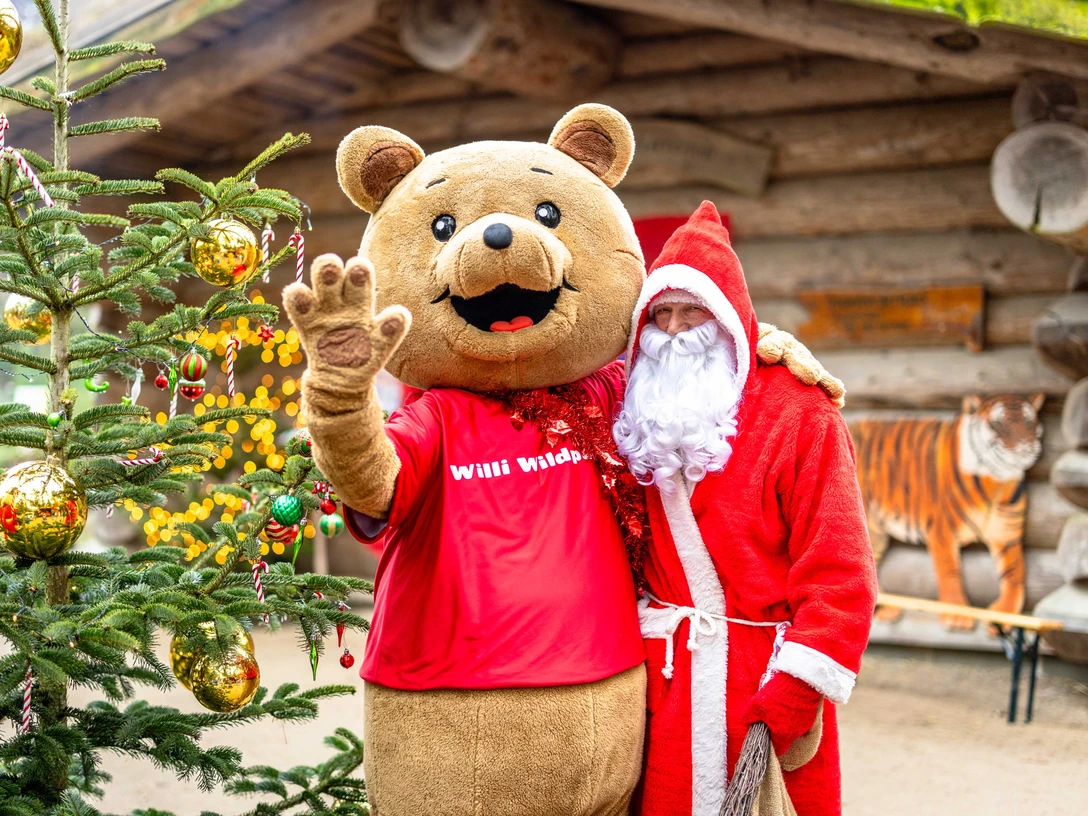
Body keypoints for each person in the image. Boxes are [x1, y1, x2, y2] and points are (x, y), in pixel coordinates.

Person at [613, 202, 878, 816]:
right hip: (667, 686)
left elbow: (842, 577)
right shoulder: (634, 415)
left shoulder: (800, 414)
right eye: (662, 314)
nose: (676, 332)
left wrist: (796, 690)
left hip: (762, 682)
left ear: (730, 319)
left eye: (695, 311)